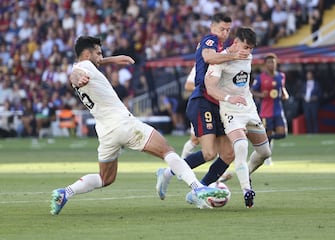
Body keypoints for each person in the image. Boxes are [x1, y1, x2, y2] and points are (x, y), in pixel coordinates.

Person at [49, 36, 229, 215]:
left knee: (105, 178)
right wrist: (76, 78)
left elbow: (85, 66)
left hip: (105, 132)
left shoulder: (85, 65)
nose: (101, 57)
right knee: (167, 151)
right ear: (88, 54)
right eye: (99, 53)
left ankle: (65, 193)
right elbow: (76, 74)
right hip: (123, 124)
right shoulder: (83, 68)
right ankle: (198, 188)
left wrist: (112, 59)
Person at [156, 13, 247, 206]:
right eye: (222, 28)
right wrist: (232, 55)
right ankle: (167, 172)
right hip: (202, 102)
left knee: (228, 154)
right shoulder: (209, 40)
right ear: (213, 28)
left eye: (228, 29)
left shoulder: (226, 45)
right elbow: (208, 57)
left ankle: (199, 191)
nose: (225, 32)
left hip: (219, 104)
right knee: (208, 153)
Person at [205, 27, 272, 208]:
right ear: (235, 43)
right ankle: (246, 190)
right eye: (245, 47)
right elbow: (210, 86)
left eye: (250, 48)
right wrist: (229, 98)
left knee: (265, 152)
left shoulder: (247, 58)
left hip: (249, 109)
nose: (247, 52)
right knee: (241, 146)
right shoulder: (220, 61)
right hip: (230, 110)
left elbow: (242, 82)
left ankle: (245, 173)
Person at [251, 53, 289, 166]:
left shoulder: (281, 76)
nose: (271, 64)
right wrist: (261, 95)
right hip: (266, 112)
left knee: (283, 133)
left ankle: (267, 140)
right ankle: (267, 157)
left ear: (276, 63)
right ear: (265, 64)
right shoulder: (260, 78)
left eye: (273, 62)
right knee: (268, 133)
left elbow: (283, 89)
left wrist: (285, 95)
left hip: (278, 110)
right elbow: (252, 91)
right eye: (269, 62)